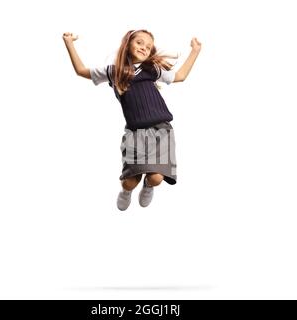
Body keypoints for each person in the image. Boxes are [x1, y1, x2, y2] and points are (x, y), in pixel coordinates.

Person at [63, 29, 201, 211]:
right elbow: (81, 71)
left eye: (149, 47)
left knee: (156, 178)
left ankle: (149, 186)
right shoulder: (114, 71)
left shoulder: (152, 69)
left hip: (162, 130)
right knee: (129, 182)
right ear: (127, 44)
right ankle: (126, 192)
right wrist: (69, 43)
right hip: (135, 133)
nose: (144, 48)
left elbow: (180, 76)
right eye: (140, 43)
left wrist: (195, 51)